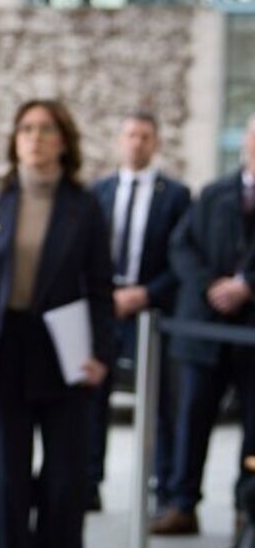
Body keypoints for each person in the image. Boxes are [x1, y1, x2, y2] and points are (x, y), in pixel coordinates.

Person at [0, 100, 113, 548]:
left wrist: (100, 354)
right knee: (1, 486)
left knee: (65, 483)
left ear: (64, 141)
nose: (34, 137)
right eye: (25, 128)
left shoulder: (84, 206)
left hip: (64, 352)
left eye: (46, 129)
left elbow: (100, 287)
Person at [88, 111, 189, 512]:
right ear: (120, 140)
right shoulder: (101, 191)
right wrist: (107, 295)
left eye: (145, 136)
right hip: (105, 306)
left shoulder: (175, 196)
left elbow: (180, 258)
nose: (137, 143)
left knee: (161, 401)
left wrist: (144, 293)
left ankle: (164, 488)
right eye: (130, 135)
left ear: (156, 142)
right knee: (93, 399)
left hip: (151, 311)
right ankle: (88, 482)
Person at [160, 113, 255, 537]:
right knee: (192, 418)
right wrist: (211, 287)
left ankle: (246, 506)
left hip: (249, 333)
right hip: (204, 330)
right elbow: (182, 246)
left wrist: (247, 286)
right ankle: (183, 504)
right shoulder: (215, 194)